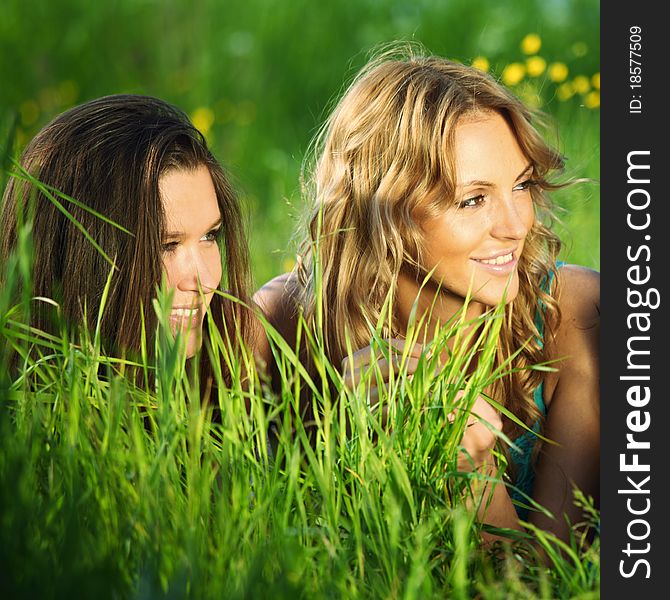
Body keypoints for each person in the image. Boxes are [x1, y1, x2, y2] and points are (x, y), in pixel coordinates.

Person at [254, 46, 600, 547]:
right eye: (473, 199)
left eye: (521, 185)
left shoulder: (575, 314)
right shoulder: (284, 325)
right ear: (385, 208)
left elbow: (554, 583)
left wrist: (473, 471)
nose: (517, 224)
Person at [1, 94, 253, 388]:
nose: (204, 279)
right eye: (167, 245)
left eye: (209, 236)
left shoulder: (237, 353)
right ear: (82, 253)